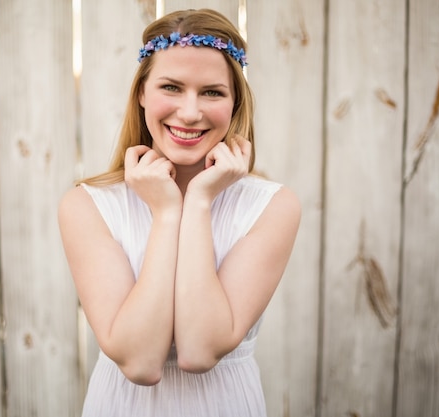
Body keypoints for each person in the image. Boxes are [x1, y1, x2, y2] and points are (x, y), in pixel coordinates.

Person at [59, 8, 301, 417]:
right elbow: (138, 362)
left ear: (234, 101)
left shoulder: (272, 206)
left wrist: (200, 201)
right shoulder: (87, 205)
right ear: (141, 93)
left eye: (212, 92)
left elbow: (200, 350)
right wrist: (167, 212)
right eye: (171, 87)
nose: (190, 113)